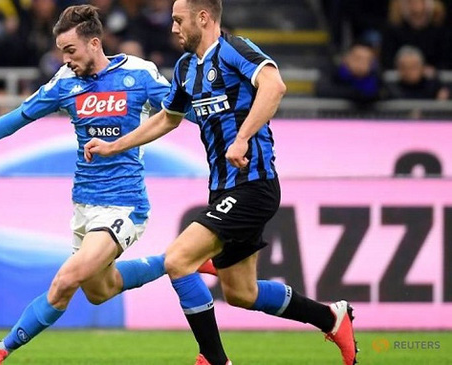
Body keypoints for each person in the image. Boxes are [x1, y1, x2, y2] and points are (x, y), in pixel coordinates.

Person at [0, 5, 214, 364]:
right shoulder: (64, 83)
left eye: (70, 50)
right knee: (100, 290)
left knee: (65, 281)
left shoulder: (139, 74)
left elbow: (181, 111)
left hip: (125, 204)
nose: (66, 58)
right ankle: (178, 260)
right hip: (84, 206)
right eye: (62, 51)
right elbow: (15, 120)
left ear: (94, 43)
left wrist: (234, 133)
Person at [84, 1, 358, 364]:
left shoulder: (234, 50)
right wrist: (114, 146)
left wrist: (243, 137)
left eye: (178, 20)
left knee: (179, 259)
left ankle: (214, 358)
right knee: (241, 293)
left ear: (203, 17)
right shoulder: (185, 68)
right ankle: (330, 317)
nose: (173, 29)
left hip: (253, 183)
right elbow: (168, 117)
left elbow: (274, 86)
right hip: (224, 189)